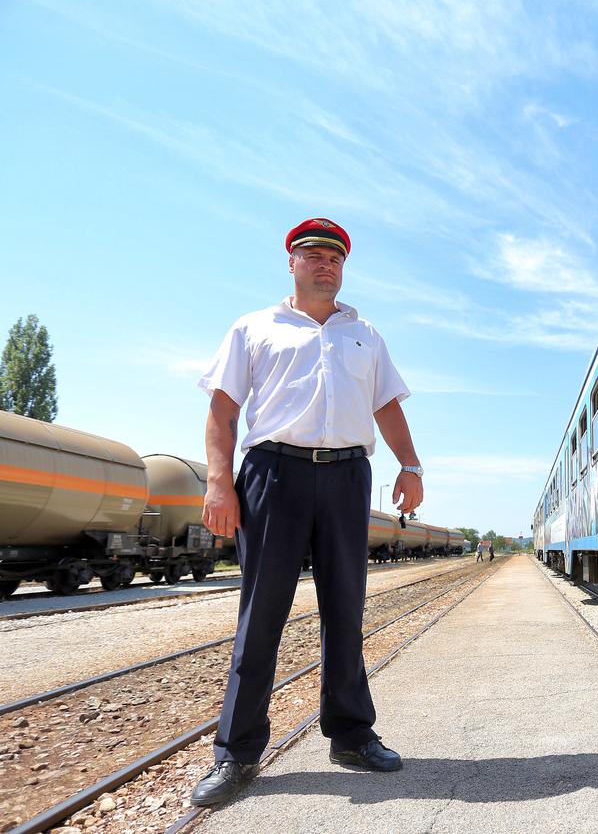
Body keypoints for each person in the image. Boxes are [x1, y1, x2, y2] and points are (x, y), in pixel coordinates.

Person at [190, 218, 425, 807]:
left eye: (335, 258)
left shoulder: (365, 333)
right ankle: (237, 755)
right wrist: (220, 483)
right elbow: (222, 413)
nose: (326, 265)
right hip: (273, 473)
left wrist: (411, 466)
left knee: (344, 609)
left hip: (347, 476)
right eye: (313, 255)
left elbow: (387, 406)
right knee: (261, 615)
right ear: (290, 261)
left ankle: (350, 736)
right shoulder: (254, 328)